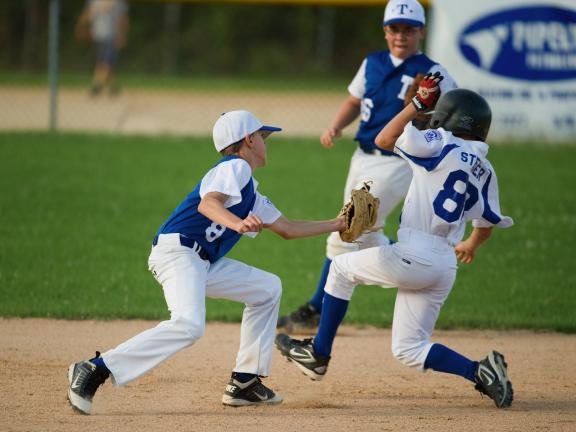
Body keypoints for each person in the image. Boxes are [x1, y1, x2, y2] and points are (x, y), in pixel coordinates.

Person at [67, 110, 346, 414]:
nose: (267, 143)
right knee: (188, 324)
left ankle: (245, 382)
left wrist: (338, 223)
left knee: (267, 289)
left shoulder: (251, 193)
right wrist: (237, 224)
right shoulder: (235, 167)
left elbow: (289, 229)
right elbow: (208, 203)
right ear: (249, 140)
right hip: (178, 253)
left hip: (201, 262)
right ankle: (95, 368)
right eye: (263, 137)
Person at [275, 79, 515, 409]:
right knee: (408, 348)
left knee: (342, 269)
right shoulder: (486, 168)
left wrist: (416, 104)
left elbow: (383, 138)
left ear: (450, 119)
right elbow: (486, 226)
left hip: (415, 253)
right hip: (445, 265)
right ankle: (480, 372)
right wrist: (470, 245)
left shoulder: (440, 141)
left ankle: (318, 353)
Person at [277, 0, 458, 334]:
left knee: (347, 227)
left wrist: (429, 121)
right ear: (385, 31)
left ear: (421, 32)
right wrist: (336, 125)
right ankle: (416, 268)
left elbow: (456, 112)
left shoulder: (434, 72)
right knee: (364, 233)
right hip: (362, 157)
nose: (401, 35)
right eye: (395, 28)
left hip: (397, 163)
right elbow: (354, 101)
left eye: (409, 29)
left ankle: (317, 308)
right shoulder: (372, 62)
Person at [75, 0, 129, 96]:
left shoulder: (118, 2)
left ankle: (97, 85)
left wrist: (122, 34)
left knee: (106, 62)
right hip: (98, 35)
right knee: (103, 62)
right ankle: (113, 86)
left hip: (112, 36)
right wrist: (81, 26)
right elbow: (88, 13)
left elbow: (122, 18)